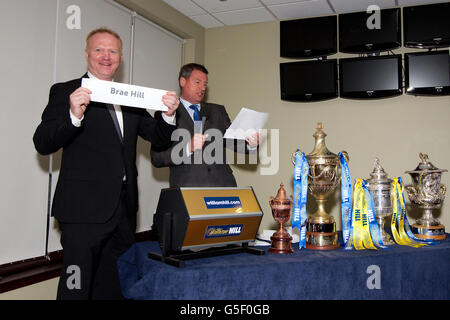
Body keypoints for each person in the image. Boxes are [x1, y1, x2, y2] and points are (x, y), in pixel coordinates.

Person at [33, 27, 179, 300]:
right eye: (99, 49)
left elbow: (158, 138)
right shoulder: (66, 91)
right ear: (87, 54)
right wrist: (73, 115)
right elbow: (42, 142)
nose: (106, 56)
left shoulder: (130, 97)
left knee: (114, 285)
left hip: (123, 212)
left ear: (120, 58)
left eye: (112, 51)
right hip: (82, 212)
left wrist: (168, 115)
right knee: (76, 287)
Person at [150, 63, 260, 188]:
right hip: (189, 190)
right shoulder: (167, 113)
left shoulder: (217, 111)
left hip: (223, 187)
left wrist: (251, 144)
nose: (202, 88)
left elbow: (233, 141)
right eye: (197, 82)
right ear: (182, 81)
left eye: (205, 84)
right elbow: (157, 158)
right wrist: (187, 148)